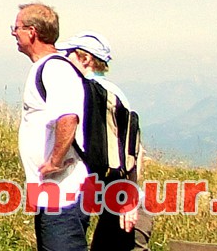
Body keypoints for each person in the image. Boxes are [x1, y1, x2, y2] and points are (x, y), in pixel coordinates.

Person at [60, 33, 153, 251]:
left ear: (85, 59)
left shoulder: (98, 95)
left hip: (122, 201)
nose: (65, 59)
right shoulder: (114, 93)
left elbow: (129, 150)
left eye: (69, 54)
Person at [15, 2, 89, 251]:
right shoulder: (48, 68)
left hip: (63, 192)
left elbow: (68, 117)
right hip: (53, 192)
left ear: (32, 32)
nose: (14, 34)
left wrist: (55, 161)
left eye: (16, 28)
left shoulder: (55, 68)